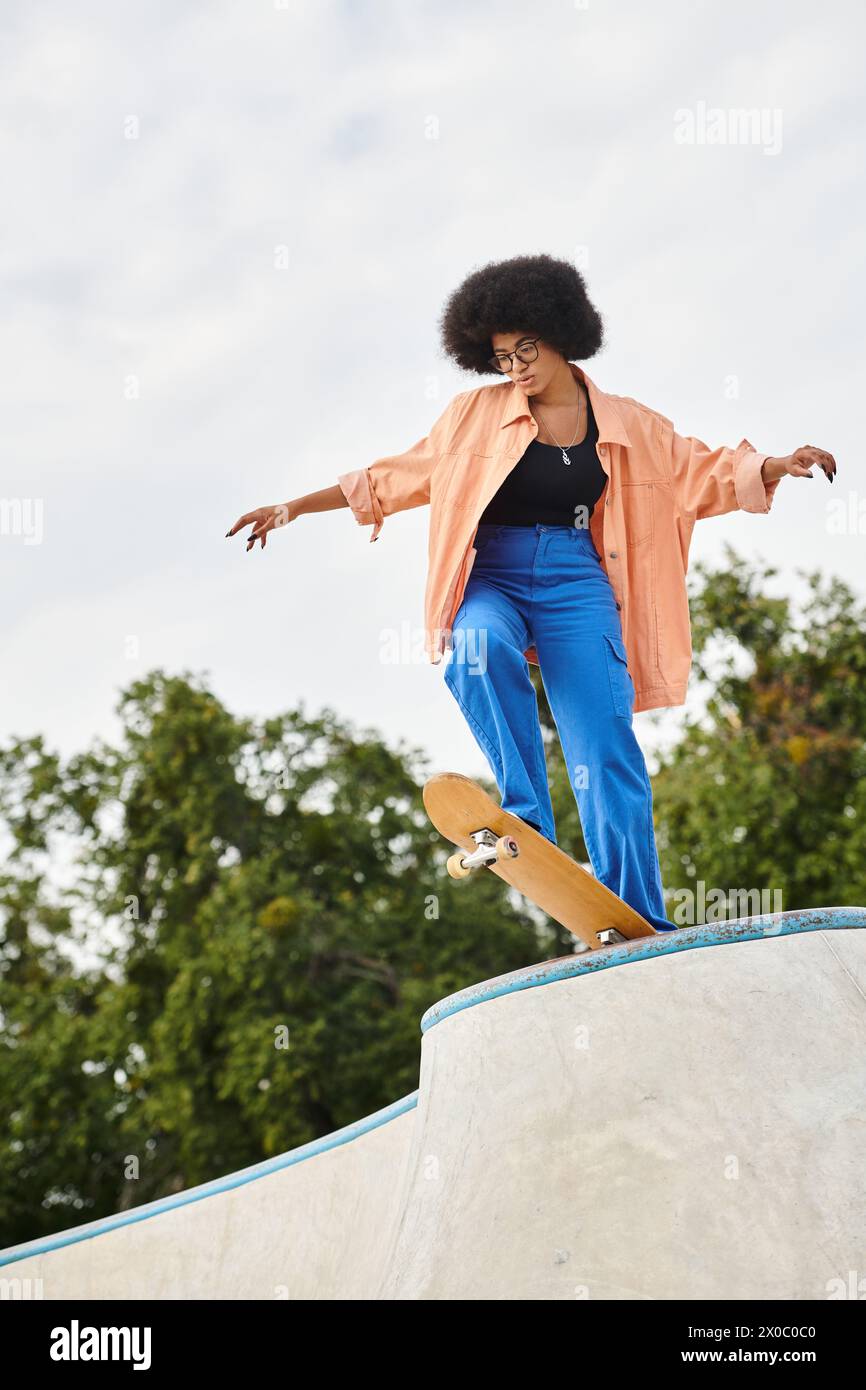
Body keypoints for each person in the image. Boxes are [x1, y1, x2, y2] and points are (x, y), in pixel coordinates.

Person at [227, 253, 837, 935]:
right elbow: (391, 477)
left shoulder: (630, 422)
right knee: (478, 646)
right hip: (495, 574)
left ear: (561, 336)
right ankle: (525, 815)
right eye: (502, 356)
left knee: (606, 749)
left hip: (579, 580)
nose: (516, 366)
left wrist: (779, 463)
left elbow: (704, 470)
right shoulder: (474, 417)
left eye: (527, 349)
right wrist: (291, 507)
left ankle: (638, 911)